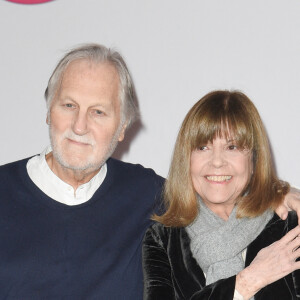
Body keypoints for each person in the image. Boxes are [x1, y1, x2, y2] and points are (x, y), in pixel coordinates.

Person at [0, 45, 298, 299]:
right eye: (69, 105)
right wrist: (248, 281)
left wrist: (278, 192)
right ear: (49, 110)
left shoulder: (147, 194)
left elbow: (215, 188)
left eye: (98, 112)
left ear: (122, 129)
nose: (80, 126)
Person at [143, 90, 300, 300]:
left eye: (232, 147)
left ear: (253, 160)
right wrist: (248, 281)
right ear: (186, 159)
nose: (217, 161)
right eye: (203, 147)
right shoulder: (162, 239)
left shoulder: (289, 225)